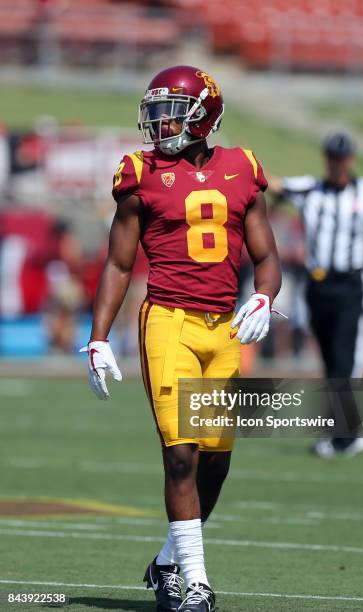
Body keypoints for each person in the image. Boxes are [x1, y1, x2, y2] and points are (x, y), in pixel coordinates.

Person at [81, 65, 281, 612]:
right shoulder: (139, 173)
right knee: (181, 456)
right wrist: (98, 337)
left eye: (172, 110)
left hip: (224, 327)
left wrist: (264, 296)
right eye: (157, 111)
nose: (161, 123)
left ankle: (168, 559)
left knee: (216, 460)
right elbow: (119, 264)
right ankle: (195, 582)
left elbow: (267, 256)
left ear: (205, 115)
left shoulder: (243, 167)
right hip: (168, 321)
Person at [269, 132, 363, 458]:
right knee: (331, 360)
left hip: (351, 286)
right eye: (332, 156)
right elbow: (273, 185)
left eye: (342, 157)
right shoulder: (311, 189)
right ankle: (346, 431)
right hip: (317, 285)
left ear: (351, 159)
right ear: (326, 158)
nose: (337, 163)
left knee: (346, 361)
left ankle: (344, 435)